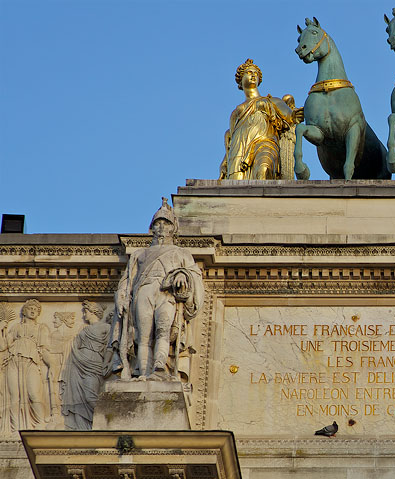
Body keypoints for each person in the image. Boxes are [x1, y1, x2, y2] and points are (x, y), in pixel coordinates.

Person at [112, 198, 204, 381]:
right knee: (143, 335)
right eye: (158, 223)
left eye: (166, 223)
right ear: (152, 228)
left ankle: (160, 366)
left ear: (173, 228)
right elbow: (127, 281)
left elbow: (194, 274)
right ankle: (144, 373)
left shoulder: (181, 253)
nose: (162, 227)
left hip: (167, 294)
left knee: (164, 329)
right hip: (144, 291)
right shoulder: (140, 254)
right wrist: (121, 297)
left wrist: (182, 276)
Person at [219, 59, 303, 180]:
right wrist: (225, 163)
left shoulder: (272, 101)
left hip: (265, 143)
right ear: (240, 81)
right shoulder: (236, 113)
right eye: (249, 72)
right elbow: (231, 141)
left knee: (264, 169)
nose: (253, 75)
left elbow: (288, 115)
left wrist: (294, 115)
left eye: (256, 73)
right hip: (239, 150)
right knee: (236, 186)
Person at [0, 300, 53, 431]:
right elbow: (3, 346)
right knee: (14, 396)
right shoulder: (16, 327)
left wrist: (52, 365)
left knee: (34, 394)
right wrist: (1, 328)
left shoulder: (41, 328)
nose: (33, 310)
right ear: (24, 311)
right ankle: (16, 428)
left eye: (36, 309)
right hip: (13, 362)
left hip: (32, 362)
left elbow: (44, 350)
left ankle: (40, 424)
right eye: (30, 308)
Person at [60, 301, 113, 430]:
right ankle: (83, 425)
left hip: (94, 363)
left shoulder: (106, 327)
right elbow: (75, 346)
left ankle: (106, 421)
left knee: (90, 396)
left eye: (86, 312)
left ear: (93, 312)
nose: (84, 315)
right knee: (78, 397)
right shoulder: (83, 329)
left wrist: (107, 362)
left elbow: (110, 347)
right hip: (77, 364)